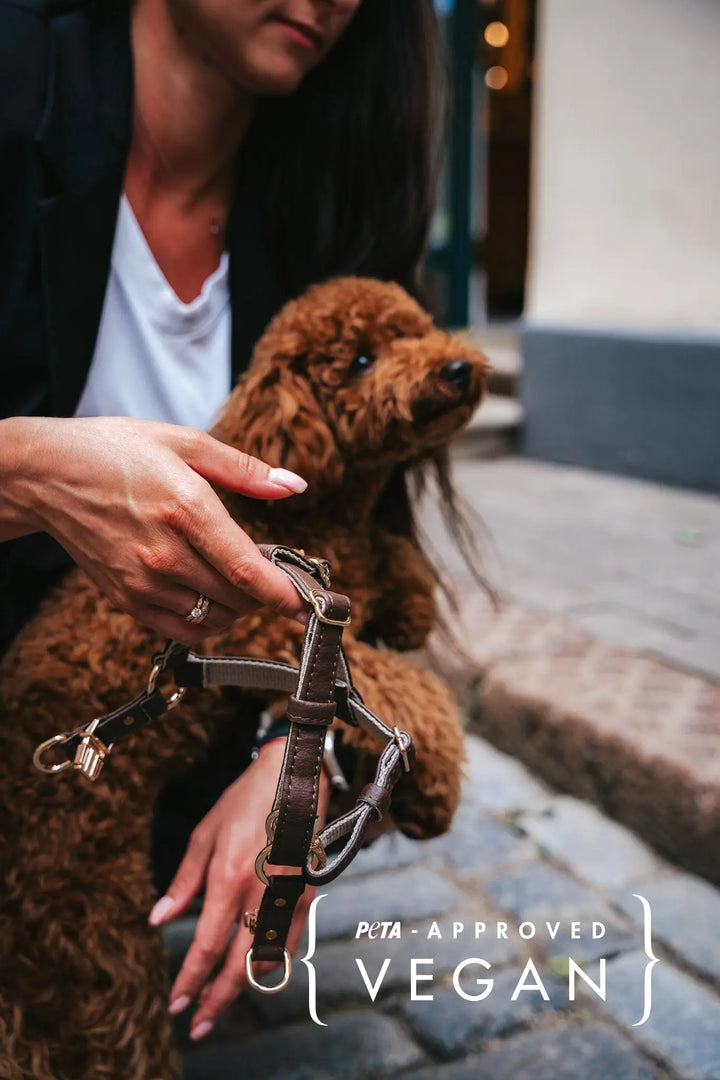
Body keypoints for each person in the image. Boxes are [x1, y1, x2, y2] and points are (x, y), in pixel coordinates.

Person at [0, 0, 444, 1043]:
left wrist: (304, 762)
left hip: (133, 770)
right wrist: (24, 471)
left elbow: (375, 576)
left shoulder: (330, 211)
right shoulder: (19, 79)